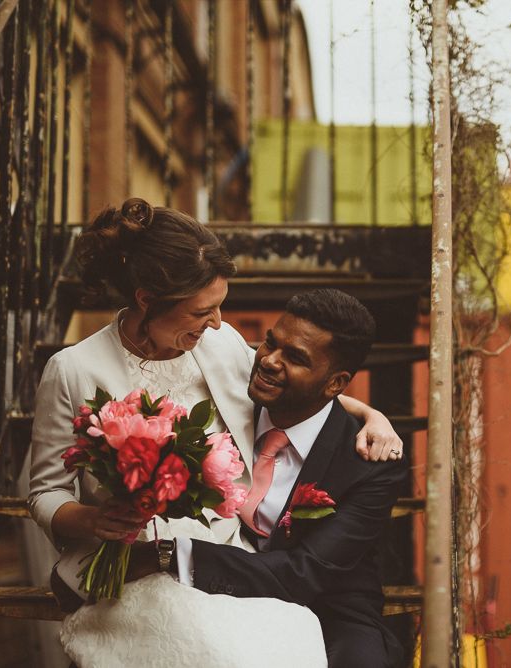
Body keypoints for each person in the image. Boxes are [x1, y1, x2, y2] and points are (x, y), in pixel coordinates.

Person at [28, 198, 403, 665]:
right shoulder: (72, 370)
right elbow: (45, 492)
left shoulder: (219, 344)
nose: (218, 322)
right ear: (147, 299)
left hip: (227, 551)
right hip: (128, 561)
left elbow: (286, 383)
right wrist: (92, 521)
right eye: (202, 311)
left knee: (289, 643)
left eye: (221, 307)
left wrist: (370, 414)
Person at [105, 289, 407, 667]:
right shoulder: (219, 408)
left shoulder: (370, 463)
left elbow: (306, 573)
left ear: (334, 383)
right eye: (270, 342)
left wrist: (168, 555)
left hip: (327, 606)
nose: (269, 361)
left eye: (295, 358)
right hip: (213, 595)